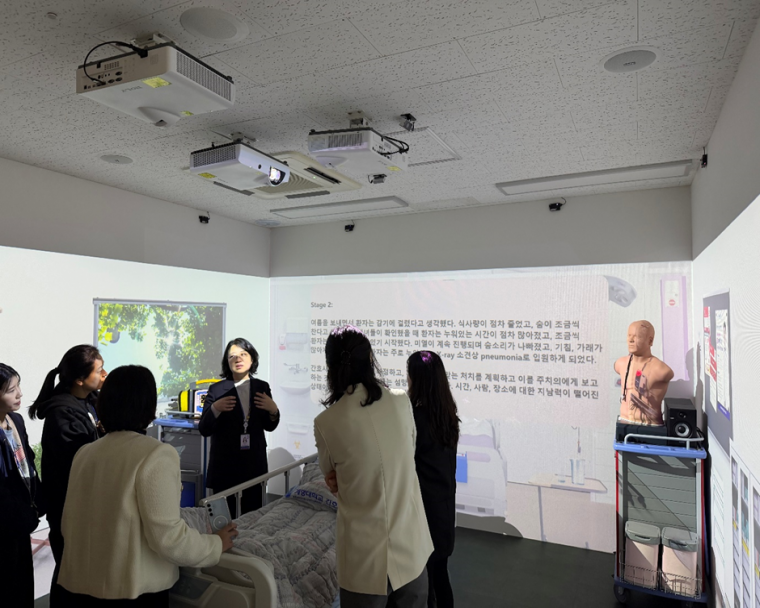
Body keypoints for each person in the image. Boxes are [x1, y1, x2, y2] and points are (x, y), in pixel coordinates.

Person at [58, 365, 237, 607]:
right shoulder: (156, 454)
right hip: (131, 591)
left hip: (79, 587)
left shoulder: (85, 453)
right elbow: (169, 538)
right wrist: (215, 545)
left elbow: (70, 522)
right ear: (148, 406)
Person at [314, 325, 433, 608]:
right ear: (370, 359)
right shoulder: (401, 401)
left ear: (330, 366)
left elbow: (331, 476)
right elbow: (408, 453)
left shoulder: (326, 422)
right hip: (411, 548)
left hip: (363, 561)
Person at [28, 344, 107, 605]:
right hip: (68, 507)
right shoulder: (62, 413)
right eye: (99, 370)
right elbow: (81, 460)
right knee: (69, 572)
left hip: (85, 505)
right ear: (80, 380)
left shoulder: (91, 401)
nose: (105, 374)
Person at [199, 338, 280, 518]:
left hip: (254, 466)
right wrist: (215, 408)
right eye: (232, 356)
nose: (238, 359)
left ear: (252, 359)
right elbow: (204, 429)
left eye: (243, 354)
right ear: (227, 362)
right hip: (225, 469)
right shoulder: (216, 390)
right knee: (223, 521)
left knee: (253, 519)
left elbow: (270, 426)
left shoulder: (262, 387)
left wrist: (273, 410)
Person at [407, 351, 460, 608]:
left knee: (426, 582)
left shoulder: (415, 419)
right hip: (444, 510)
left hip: (424, 513)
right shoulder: (448, 416)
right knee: (440, 575)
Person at [0, 363, 45, 607]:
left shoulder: (15, 419)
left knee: (23, 583)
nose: (19, 394)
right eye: (11, 390)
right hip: (6, 521)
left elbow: (28, 462)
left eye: (19, 386)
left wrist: (37, 503)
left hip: (22, 517)